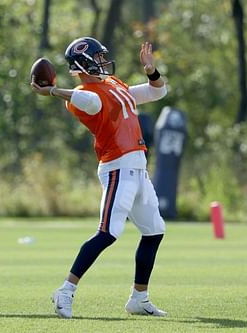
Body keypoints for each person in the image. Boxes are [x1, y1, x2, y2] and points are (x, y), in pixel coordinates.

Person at [31, 37, 168, 319]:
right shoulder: (81, 95)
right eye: (99, 58)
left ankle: (139, 298)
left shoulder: (114, 85)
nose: (105, 62)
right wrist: (54, 91)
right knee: (108, 233)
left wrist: (151, 70)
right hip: (117, 167)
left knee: (154, 231)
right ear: (84, 64)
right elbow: (90, 102)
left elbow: (157, 92)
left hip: (138, 168)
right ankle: (65, 291)